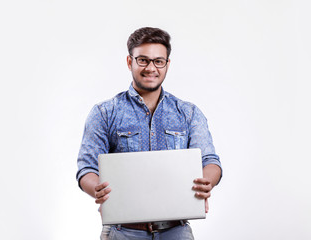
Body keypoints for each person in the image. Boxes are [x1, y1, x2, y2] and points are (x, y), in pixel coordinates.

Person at [76, 27, 222, 240]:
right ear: (130, 62)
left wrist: (207, 180)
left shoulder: (189, 113)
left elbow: (210, 161)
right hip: (122, 231)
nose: (151, 68)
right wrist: (95, 188)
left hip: (176, 230)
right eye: (143, 60)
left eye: (158, 61)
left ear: (167, 64)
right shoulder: (104, 113)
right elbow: (86, 169)